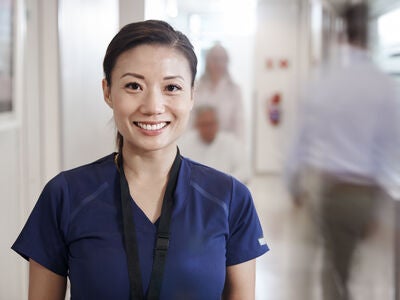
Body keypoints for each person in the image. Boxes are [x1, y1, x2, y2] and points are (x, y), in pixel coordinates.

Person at [12, 20, 268, 300]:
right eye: (134, 86)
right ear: (108, 91)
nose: (153, 107)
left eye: (171, 88)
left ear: (192, 94)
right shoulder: (65, 196)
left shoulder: (230, 199)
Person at [285, 3, 400, 300]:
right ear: (369, 36)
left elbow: (301, 139)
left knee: (333, 270)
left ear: (341, 35)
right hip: (369, 193)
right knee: (361, 271)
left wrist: (293, 184)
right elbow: (391, 148)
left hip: (331, 189)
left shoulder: (325, 80)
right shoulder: (384, 85)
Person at [179, 105, 250, 184]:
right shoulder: (184, 144)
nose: (208, 128)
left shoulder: (231, 143)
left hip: (225, 190)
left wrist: (222, 182)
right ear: (197, 125)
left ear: (217, 124)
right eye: (204, 124)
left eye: (211, 124)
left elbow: (245, 172)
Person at [193, 43, 245, 141]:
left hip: (226, 146)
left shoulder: (234, 89)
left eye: (222, 59)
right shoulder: (196, 87)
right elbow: (189, 121)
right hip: (199, 145)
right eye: (215, 59)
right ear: (207, 61)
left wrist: (239, 149)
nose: (219, 63)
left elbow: (239, 124)